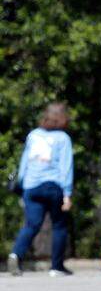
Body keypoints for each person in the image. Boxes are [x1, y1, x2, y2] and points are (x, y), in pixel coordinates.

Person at [8, 103, 74, 277]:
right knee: (59, 225)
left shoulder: (34, 135)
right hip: (53, 186)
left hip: (31, 186)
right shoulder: (63, 138)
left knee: (31, 224)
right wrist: (67, 193)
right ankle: (56, 267)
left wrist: (21, 185)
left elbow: (24, 163)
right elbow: (65, 167)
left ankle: (16, 255)